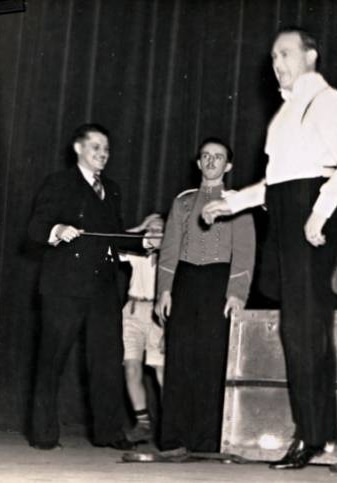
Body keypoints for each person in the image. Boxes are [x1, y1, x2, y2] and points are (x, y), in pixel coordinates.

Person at [201, 27, 337, 470]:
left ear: (310, 56)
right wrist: (233, 202)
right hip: (287, 210)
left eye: (286, 53)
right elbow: (277, 183)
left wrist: (319, 212)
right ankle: (319, 432)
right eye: (274, 55)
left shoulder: (326, 101)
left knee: (303, 326)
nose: (277, 62)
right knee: (303, 325)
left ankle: (311, 435)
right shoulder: (286, 111)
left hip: (309, 216)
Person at [27, 123, 159, 450]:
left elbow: (113, 235)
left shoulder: (111, 189)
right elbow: (35, 227)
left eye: (106, 149)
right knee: (51, 359)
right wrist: (58, 229)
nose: (102, 154)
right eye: (95, 147)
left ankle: (108, 433)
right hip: (64, 287)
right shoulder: (58, 183)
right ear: (78, 149)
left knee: (105, 360)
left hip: (102, 288)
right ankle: (43, 434)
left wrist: (144, 242)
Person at [154, 137, 255, 454]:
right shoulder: (182, 202)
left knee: (213, 359)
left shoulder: (238, 202)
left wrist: (237, 294)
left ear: (229, 165)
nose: (211, 161)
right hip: (185, 281)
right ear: (198, 163)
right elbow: (169, 250)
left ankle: (207, 439)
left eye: (219, 157)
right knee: (179, 357)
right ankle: (173, 438)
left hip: (218, 283)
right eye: (206, 156)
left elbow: (245, 253)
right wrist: (164, 291)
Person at [119, 215, 166, 444]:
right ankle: (143, 424)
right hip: (133, 309)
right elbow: (116, 241)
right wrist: (138, 228)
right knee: (131, 366)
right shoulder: (138, 252)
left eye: (158, 228)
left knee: (160, 369)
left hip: (158, 314)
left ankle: (170, 425)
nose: (153, 231)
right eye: (150, 228)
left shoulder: (170, 257)